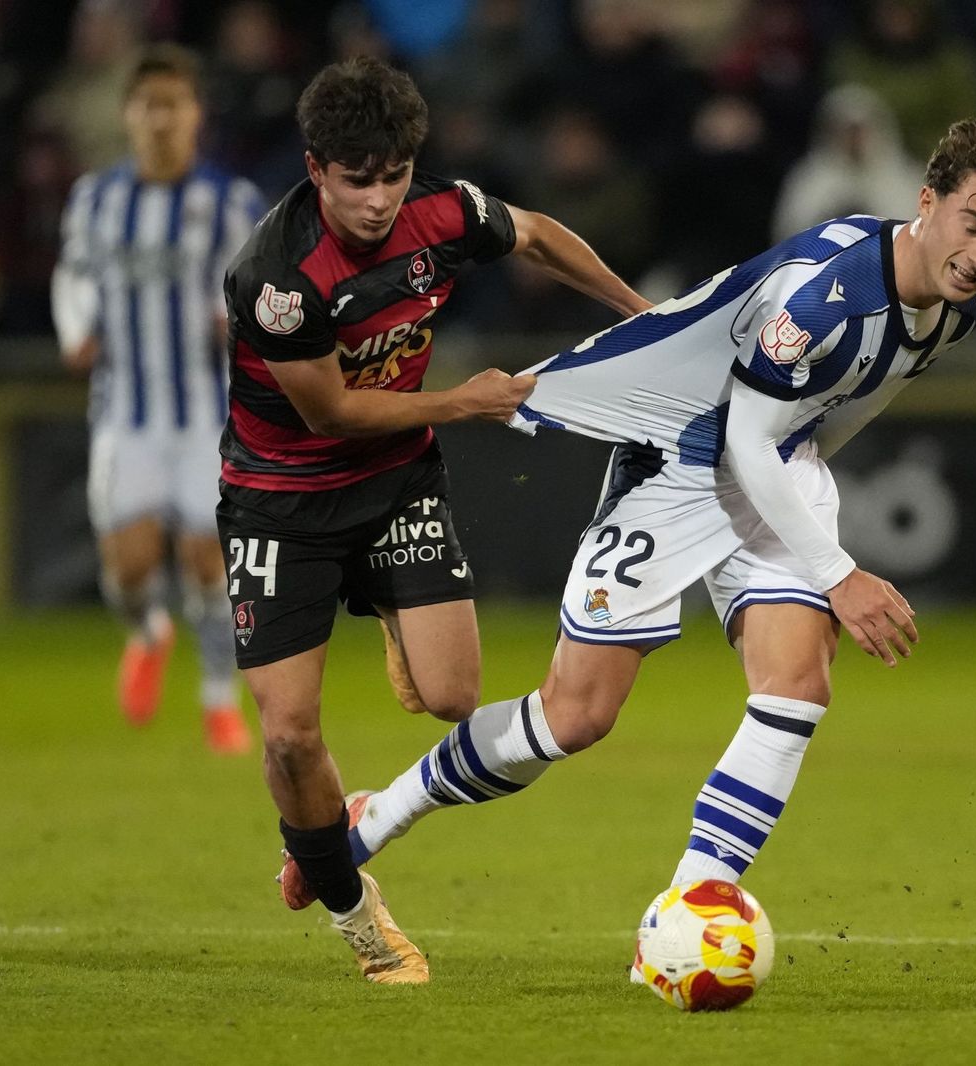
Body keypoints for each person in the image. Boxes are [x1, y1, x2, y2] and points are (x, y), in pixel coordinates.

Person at [329, 118, 976, 976]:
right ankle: (377, 817)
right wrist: (839, 574)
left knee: (797, 685)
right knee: (575, 717)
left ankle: (686, 916)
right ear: (927, 202)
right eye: (972, 226)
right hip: (678, 464)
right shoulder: (824, 295)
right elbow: (743, 439)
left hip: (777, 461)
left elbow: (848, 403)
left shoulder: (954, 311)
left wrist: (809, 494)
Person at [221, 55, 648, 985]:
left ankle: (384, 622)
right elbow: (329, 413)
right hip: (281, 503)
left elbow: (536, 235)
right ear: (315, 168)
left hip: (395, 482)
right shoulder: (277, 279)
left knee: (454, 696)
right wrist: (463, 402)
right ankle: (357, 914)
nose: (379, 200)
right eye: (357, 180)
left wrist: (640, 312)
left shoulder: (443, 213)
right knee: (289, 735)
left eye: (395, 176)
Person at [51, 45, 265, 753]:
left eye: (174, 104)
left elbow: (259, 286)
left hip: (207, 413)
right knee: (129, 567)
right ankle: (148, 631)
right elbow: (73, 275)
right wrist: (77, 329)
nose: (162, 119)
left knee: (208, 559)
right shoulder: (96, 199)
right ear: (129, 115)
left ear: (196, 114)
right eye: (149, 106)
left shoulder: (231, 202)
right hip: (125, 411)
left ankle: (218, 701)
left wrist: (236, 321)